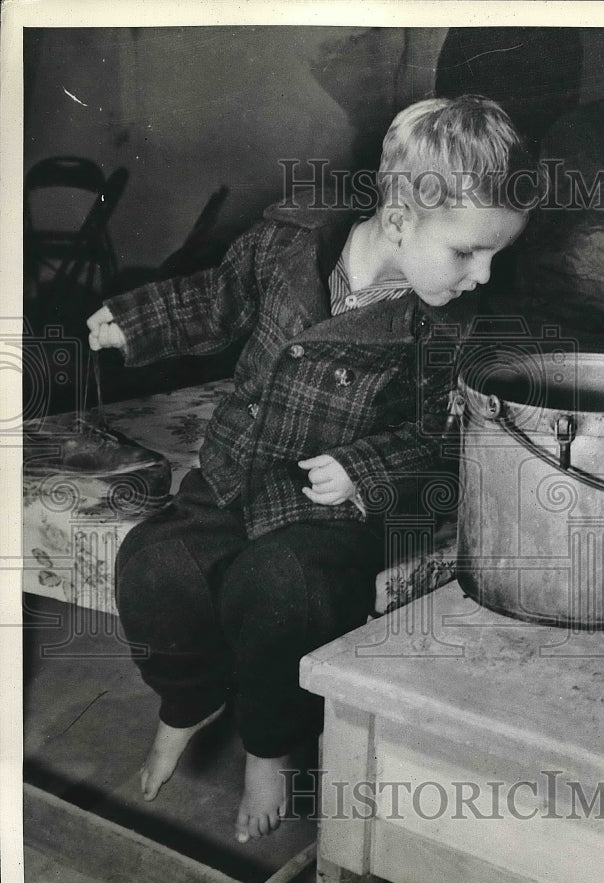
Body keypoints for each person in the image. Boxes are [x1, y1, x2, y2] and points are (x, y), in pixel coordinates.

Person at [86, 95, 534, 842]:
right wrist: (141, 319)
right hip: (233, 470)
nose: (482, 276)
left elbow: (447, 436)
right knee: (154, 564)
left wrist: (365, 467)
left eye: (496, 256)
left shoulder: (446, 325)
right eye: (467, 252)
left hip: (330, 513)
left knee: (284, 589)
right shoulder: (288, 241)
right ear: (398, 221)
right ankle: (188, 697)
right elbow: (217, 299)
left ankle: (273, 741)